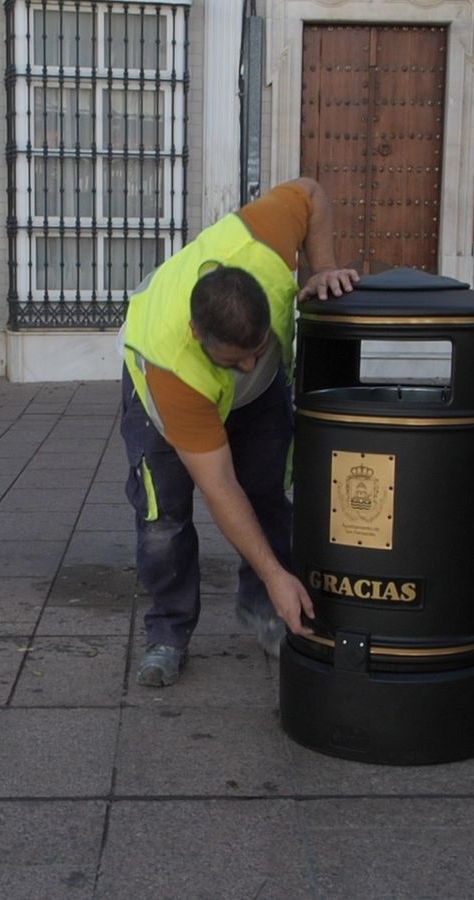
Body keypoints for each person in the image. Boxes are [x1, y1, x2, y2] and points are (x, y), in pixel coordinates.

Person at [120, 178, 359, 686]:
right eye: (236, 359)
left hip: (258, 397)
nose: (250, 362)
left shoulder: (264, 239)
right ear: (197, 336)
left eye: (258, 347)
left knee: (267, 492)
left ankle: (265, 610)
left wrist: (323, 267)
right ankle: (168, 631)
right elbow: (219, 487)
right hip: (160, 396)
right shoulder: (175, 369)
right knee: (165, 520)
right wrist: (279, 574)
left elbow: (313, 192)